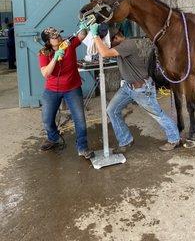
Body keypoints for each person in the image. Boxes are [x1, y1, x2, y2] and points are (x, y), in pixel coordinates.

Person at [89, 23, 180, 152]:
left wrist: (95, 35)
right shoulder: (122, 46)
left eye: (109, 41)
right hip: (128, 87)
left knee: (157, 114)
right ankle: (126, 140)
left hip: (142, 88)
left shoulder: (127, 45)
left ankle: (174, 139)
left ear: (116, 38)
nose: (107, 43)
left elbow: (105, 53)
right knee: (112, 110)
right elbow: (102, 50)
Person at [38, 26, 94, 159]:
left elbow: (81, 35)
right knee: (47, 120)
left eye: (58, 35)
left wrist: (84, 26)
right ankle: (53, 138)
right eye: (54, 37)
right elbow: (46, 73)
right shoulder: (43, 53)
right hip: (52, 89)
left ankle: (82, 147)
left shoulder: (68, 43)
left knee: (80, 119)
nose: (58, 37)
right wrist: (55, 57)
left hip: (72, 88)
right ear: (48, 42)